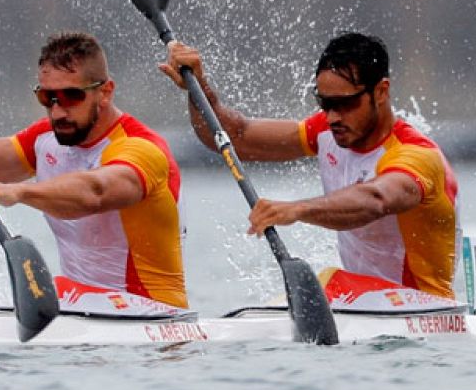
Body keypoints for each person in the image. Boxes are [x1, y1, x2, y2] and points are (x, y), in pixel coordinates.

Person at [0, 31, 187, 308]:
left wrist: (16, 191)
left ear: (105, 92)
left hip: (152, 321)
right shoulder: (45, 140)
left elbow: (95, 193)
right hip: (84, 314)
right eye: (47, 97)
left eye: (71, 97)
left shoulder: (142, 149)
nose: (57, 111)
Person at [162, 31, 460, 299]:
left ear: (381, 92)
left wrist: (298, 209)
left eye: (345, 104)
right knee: (319, 289)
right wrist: (198, 87)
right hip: (364, 304)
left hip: (420, 305)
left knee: (323, 283)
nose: (332, 118)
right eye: (325, 104)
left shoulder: (416, 156)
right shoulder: (327, 131)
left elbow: (376, 199)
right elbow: (234, 136)